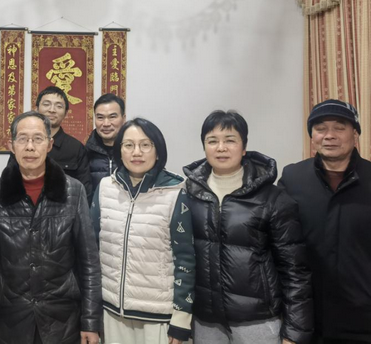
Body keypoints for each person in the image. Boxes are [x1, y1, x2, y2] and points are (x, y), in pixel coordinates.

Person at [184, 110, 313, 344]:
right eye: (212, 141)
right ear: (204, 147)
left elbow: (295, 271)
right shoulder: (189, 195)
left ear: (244, 147)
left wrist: (295, 333)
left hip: (258, 323)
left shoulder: (272, 198)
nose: (221, 148)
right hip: (206, 322)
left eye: (230, 140)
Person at [0, 111, 101, 344]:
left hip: (63, 321)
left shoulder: (73, 191)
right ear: (12, 146)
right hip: (10, 321)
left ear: (49, 145)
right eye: (22, 139)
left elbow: (89, 263)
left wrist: (90, 322)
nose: (30, 147)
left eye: (38, 139)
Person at [91, 117, 195, 344]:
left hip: (158, 318)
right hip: (111, 313)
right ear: (120, 151)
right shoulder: (106, 188)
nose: (136, 152)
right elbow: (91, 250)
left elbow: (185, 259)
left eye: (145, 145)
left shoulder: (176, 191)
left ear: (158, 151)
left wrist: (181, 319)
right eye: (128, 145)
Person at [279, 99, 371, 344]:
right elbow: (279, 242)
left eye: (339, 127)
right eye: (320, 128)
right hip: (306, 319)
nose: (329, 135)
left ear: (355, 134)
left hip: (362, 320)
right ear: (312, 137)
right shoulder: (293, 178)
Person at [35, 86, 92, 201]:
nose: (52, 110)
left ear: (66, 113)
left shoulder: (76, 148)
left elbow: (85, 192)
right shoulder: (24, 144)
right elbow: (10, 183)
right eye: (46, 104)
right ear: (36, 109)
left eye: (58, 106)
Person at [85, 93, 126, 201]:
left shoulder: (134, 152)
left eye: (112, 117)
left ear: (123, 118)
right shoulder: (84, 152)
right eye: (100, 117)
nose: (106, 123)